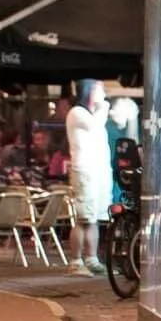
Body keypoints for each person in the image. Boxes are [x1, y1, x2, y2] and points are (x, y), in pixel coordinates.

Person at [65, 80, 112, 276]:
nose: (104, 93)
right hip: (84, 172)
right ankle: (76, 261)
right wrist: (105, 106)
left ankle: (92, 258)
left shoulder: (92, 114)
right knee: (83, 217)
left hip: (98, 172)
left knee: (94, 218)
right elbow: (94, 126)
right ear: (89, 92)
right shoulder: (77, 113)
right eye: (99, 89)